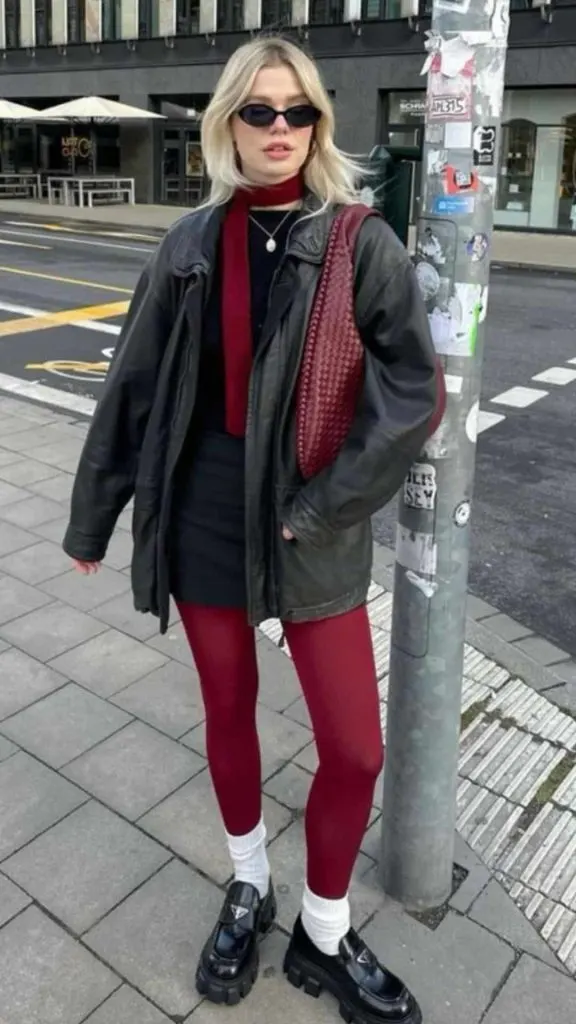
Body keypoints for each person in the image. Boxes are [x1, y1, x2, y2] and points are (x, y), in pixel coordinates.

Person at [63, 34, 438, 1024]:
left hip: (309, 528)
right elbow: (133, 388)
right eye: (260, 110)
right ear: (227, 120)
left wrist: (326, 505)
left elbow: (411, 394)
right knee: (228, 713)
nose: (280, 129)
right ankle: (246, 884)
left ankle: (323, 926)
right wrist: (95, 512)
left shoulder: (361, 242)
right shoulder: (189, 243)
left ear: (319, 122)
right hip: (199, 525)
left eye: (299, 111)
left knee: (355, 748)